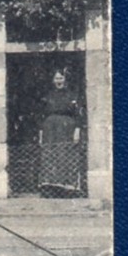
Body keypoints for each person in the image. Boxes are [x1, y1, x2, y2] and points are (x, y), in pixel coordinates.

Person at [38, 69, 85, 197]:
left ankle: (68, 189)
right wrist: (41, 133)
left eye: (61, 78)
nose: (59, 81)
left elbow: (78, 115)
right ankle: (51, 189)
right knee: (50, 156)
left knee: (65, 154)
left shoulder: (72, 95)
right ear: (53, 80)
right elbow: (41, 115)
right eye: (56, 78)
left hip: (67, 128)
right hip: (50, 128)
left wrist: (77, 130)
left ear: (65, 80)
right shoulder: (48, 95)